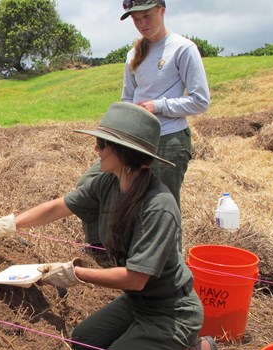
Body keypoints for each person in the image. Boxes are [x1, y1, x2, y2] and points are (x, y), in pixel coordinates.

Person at [0, 102, 218, 350]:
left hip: (170, 312)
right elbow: (59, 207)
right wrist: (10, 224)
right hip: (136, 303)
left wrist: (75, 272)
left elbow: (135, 278)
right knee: (80, 344)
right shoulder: (107, 184)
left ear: (125, 152)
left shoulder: (158, 207)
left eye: (103, 144)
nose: (97, 149)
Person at [77, 0, 211, 248]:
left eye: (147, 16)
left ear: (162, 10)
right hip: (133, 140)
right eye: (136, 19)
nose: (142, 24)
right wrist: (114, 132)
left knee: (161, 205)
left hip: (167, 140)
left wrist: (158, 106)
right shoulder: (133, 54)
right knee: (90, 184)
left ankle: (171, 273)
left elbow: (200, 101)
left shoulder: (182, 49)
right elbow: (127, 99)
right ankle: (101, 250)